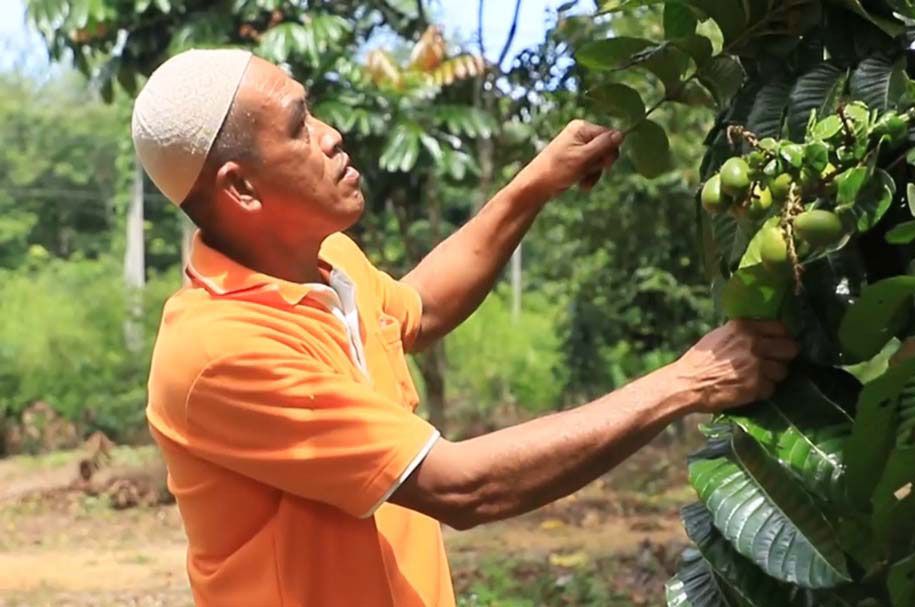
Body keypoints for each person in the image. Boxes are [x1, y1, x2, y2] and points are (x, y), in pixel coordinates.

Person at [134, 48, 798, 607]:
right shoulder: (221, 351)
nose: (332, 134)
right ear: (242, 188)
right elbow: (461, 484)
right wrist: (684, 383)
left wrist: (536, 182)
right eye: (299, 126)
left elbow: (421, 305)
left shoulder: (323, 260)